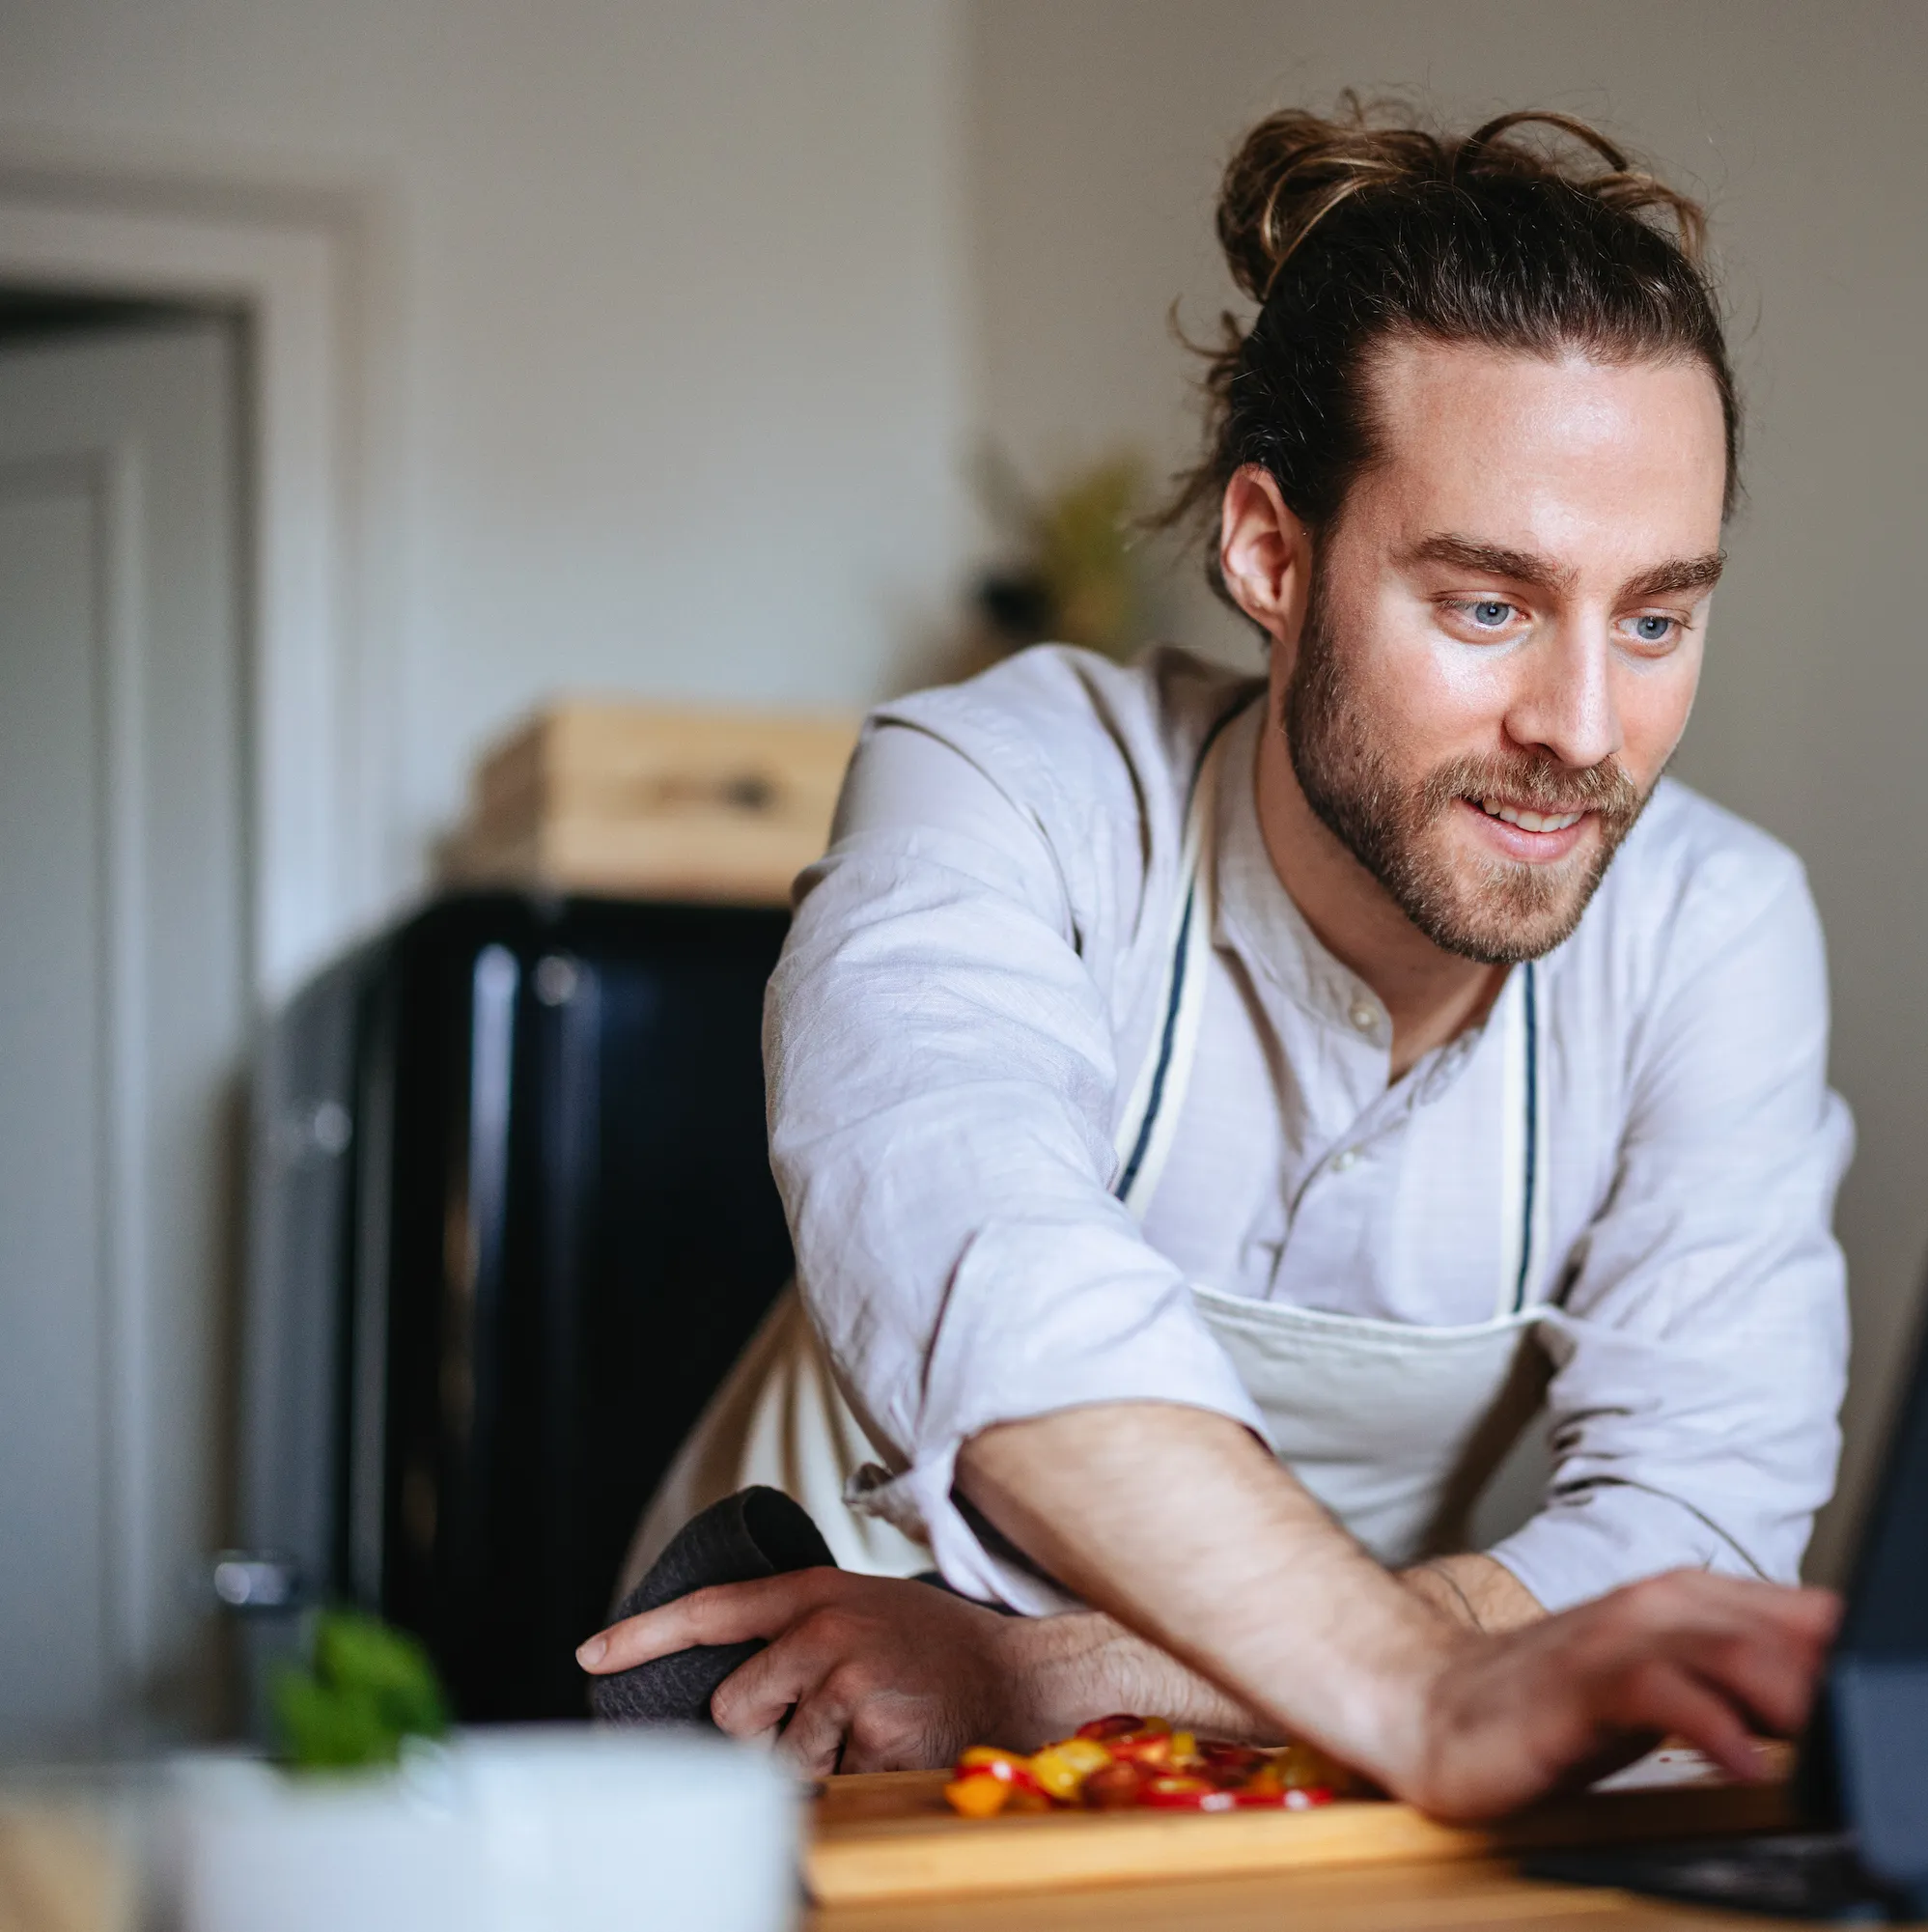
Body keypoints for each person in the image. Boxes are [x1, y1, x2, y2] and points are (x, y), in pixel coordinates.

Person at [577, 98, 1853, 1823]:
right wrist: (1431, 1680)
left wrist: (1058, 1675)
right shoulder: (1002, 789)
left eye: (1654, 618)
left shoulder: (1718, 929)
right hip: (774, 1752)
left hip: (1290, 1795)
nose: (1582, 729)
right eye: (1486, 604)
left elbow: (1690, 1530)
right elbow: (996, 1270)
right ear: (1271, 552)